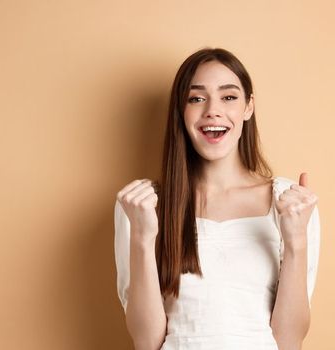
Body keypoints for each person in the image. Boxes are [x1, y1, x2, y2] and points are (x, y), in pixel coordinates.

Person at [114, 47, 321, 350]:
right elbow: (147, 343)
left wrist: (296, 241)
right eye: (196, 98)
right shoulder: (142, 205)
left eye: (228, 97)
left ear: (248, 107)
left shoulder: (290, 204)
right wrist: (143, 238)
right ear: (181, 111)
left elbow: (289, 342)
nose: (212, 110)